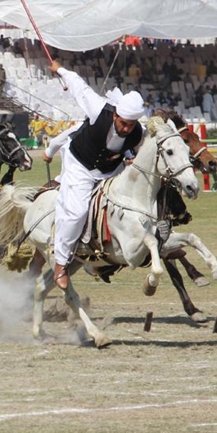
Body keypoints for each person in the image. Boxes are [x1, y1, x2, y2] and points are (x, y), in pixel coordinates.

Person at [48, 60, 145, 291]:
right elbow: (79, 86)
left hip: (110, 171)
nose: (126, 129)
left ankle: (104, 258)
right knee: (77, 212)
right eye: (123, 123)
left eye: (131, 125)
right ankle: (61, 264)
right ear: (115, 116)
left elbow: (143, 148)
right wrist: (59, 70)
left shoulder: (138, 132)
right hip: (80, 165)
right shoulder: (99, 109)